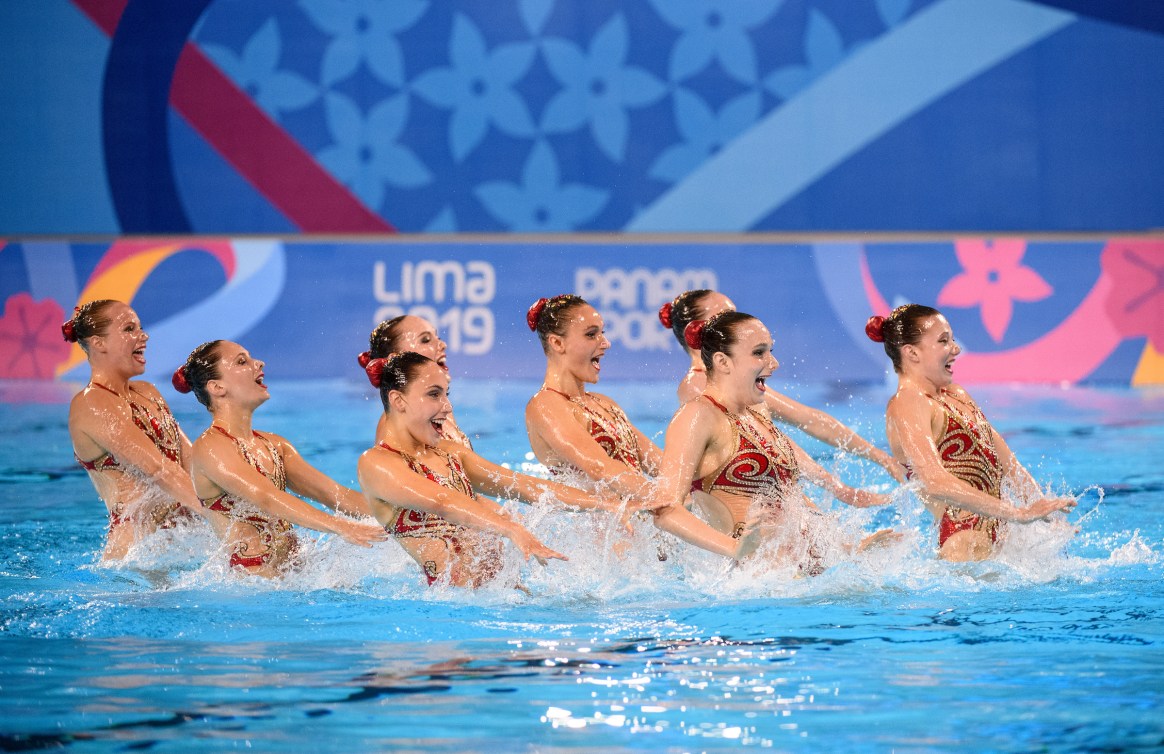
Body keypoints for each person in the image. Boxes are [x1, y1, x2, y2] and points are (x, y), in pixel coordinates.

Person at [652, 311, 895, 575]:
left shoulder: (757, 413)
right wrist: (734, 548)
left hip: (800, 576)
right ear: (722, 362)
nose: (774, 363)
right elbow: (665, 511)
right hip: (754, 583)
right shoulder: (697, 415)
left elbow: (790, 502)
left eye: (770, 351)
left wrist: (850, 548)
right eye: (759, 353)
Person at [524, 295, 759, 560]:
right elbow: (600, 467)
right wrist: (662, 499)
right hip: (603, 557)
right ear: (557, 343)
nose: (605, 343)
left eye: (603, 333)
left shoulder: (605, 404)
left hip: (644, 543)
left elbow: (660, 463)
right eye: (592, 335)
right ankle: (736, 551)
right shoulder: (545, 405)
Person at [358, 351, 609, 587]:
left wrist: (608, 504)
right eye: (434, 394)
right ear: (398, 400)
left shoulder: (450, 453)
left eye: (446, 394)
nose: (447, 406)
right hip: (455, 610)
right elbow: (442, 502)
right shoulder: (376, 463)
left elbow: (522, 485)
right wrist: (512, 529)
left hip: (503, 594)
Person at [868, 304, 1076, 561]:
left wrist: (1048, 517)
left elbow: (1009, 465)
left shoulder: (956, 394)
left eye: (952, 340)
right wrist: (1019, 514)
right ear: (912, 353)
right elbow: (934, 482)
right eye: (943, 341)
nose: (955, 349)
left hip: (1000, 533)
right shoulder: (907, 403)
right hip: (963, 543)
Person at [175, 340, 386, 577]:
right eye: (242, 361)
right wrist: (341, 527)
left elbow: (334, 495)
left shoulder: (275, 445)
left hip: (294, 574)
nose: (259, 363)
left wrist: (398, 517)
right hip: (252, 587)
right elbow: (266, 497)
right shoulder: (210, 447)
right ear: (216, 387)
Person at [661, 290, 905, 481]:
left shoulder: (737, 383)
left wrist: (881, 457)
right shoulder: (698, 385)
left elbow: (807, 418)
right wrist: (834, 485)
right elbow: (775, 443)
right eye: (726, 315)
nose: (737, 321)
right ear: (699, 329)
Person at [65, 300, 205, 561]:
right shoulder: (91, 403)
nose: (144, 336)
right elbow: (159, 470)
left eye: (140, 327)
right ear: (99, 343)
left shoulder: (148, 393)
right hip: (136, 560)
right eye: (129, 329)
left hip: (184, 543)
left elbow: (193, 462)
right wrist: (222, 517)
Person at [360, 315, 472, 448]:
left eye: (438, 338)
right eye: (425, 340)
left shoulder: (437, 405)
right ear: (397, 360)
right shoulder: (398, 426)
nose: (443, 345)